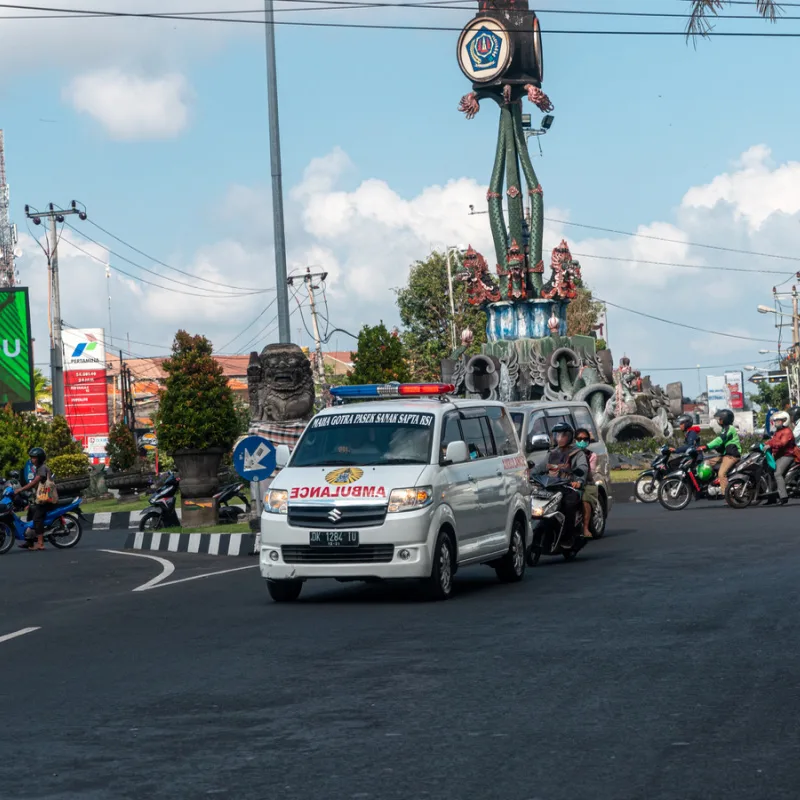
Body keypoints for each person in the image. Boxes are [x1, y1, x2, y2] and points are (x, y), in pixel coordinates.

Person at [534, 421, 588, 549]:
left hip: (568, 487)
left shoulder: (577, 453)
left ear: (569, 437)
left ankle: (568, 536)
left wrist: (578, 481)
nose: (560, 438)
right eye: (557, 435)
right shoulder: (552, 453)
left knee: (568, 505)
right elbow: (539, 468)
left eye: (563, 435)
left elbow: (583, 468)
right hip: (551, 487)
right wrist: (529, 474)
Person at [14, 446, 56, 550]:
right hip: (41, 498)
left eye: (34, 457)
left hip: (47, 499)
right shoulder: (38, 468)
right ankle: (30, 541)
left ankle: (41, 544)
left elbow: (34, 482)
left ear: (39, 458)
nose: (32, 459)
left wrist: (20, 490)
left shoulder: (42, 468)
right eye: (31, 457)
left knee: (37, 518)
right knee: (31, 513)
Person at [700, 409, 741, 496]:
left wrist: (707, 446)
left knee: (722, 474)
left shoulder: (730, 429)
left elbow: (720, 439)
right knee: (706, 463)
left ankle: (727, 495)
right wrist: (706, 449)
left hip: (732, 456)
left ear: (725, 419)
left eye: (720, 419)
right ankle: (713, 483)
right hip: (725, 455)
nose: (719, 420)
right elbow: (720, 445)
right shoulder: (724, 429)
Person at [765, 410, 798, 505]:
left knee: (777, 473)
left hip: (787, 455)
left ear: (784, 421)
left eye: (777, 421)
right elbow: (772, 441)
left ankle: (783, 497)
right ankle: (771, 498)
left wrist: (770, 445)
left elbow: (782, 443)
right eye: (775, 421)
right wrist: (764, 444)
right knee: (768, 473)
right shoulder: (778, 432)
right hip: (778, 455)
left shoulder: (787, 431)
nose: (775, 423)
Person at [575, 427, 599, 539]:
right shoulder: (570, 453)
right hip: (569, 482)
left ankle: (585, 527)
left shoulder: (592, 455)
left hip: (587, 483)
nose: (582, 442)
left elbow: (590, 475)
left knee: (585, 499)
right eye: (579, 439)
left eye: (585, 439)